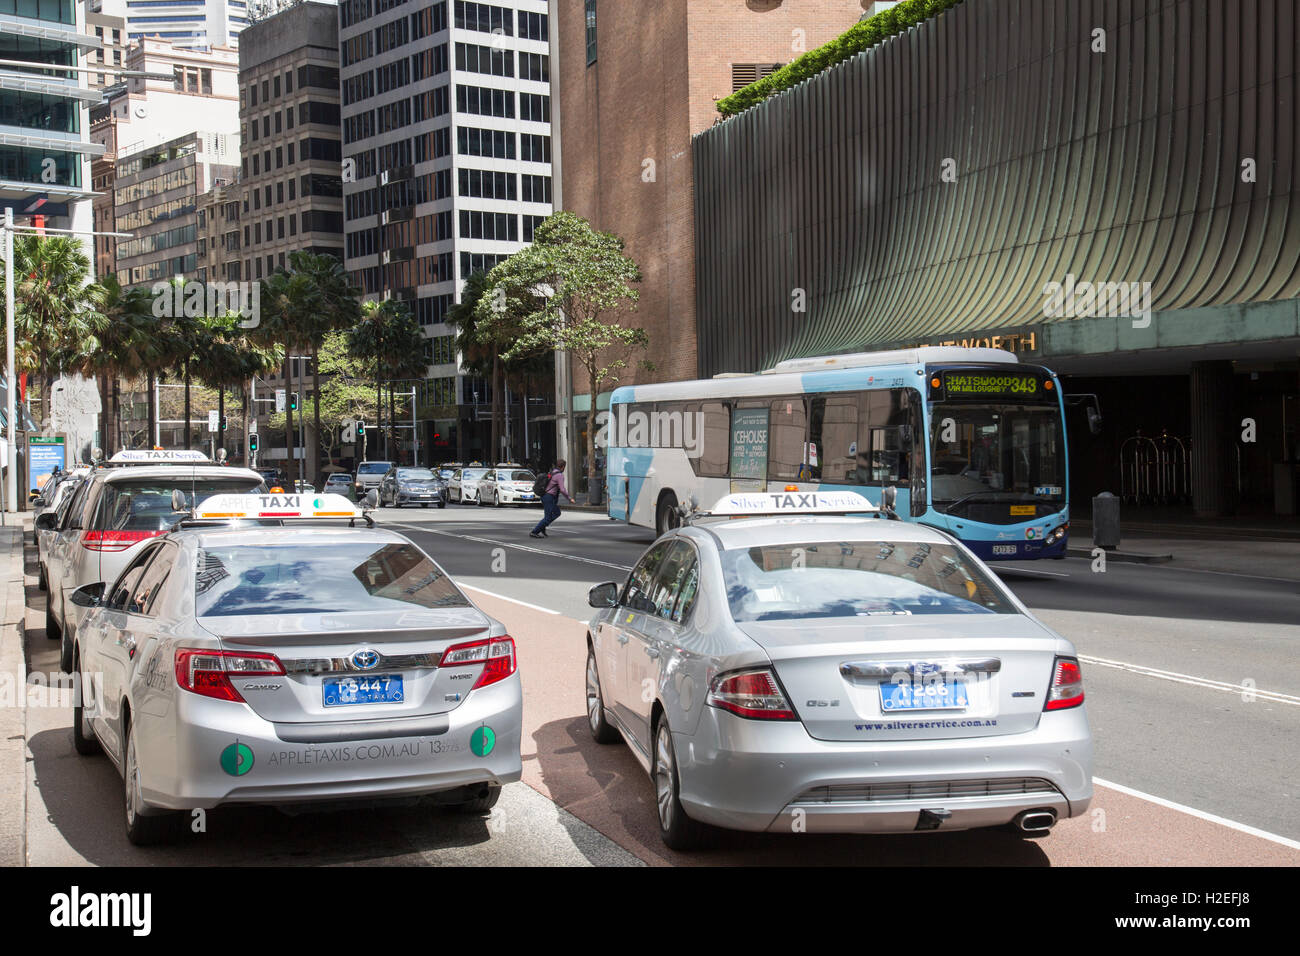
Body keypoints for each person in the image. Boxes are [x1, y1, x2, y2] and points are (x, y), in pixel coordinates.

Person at [530, 459, 574, 538]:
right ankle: (535, 531)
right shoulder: (559, 475)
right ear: (563, 467)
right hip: (549, 497)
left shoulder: (552, 472)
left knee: (554, 513)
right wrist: (569, 498)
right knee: (549, 516)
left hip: (545, 496)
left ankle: (542, 527)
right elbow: (562, 489)